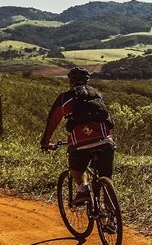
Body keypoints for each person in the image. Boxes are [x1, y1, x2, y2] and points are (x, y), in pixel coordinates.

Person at [40, 66, 115, 205]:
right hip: (105, 141)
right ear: (87, 80)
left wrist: (45, 142)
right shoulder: (97, 94)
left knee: (76, 169)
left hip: (80, 144)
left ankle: (83, 190)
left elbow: (52, 121)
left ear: (70, 81)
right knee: (107, 177)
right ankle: (111, 219)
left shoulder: (65, 98)